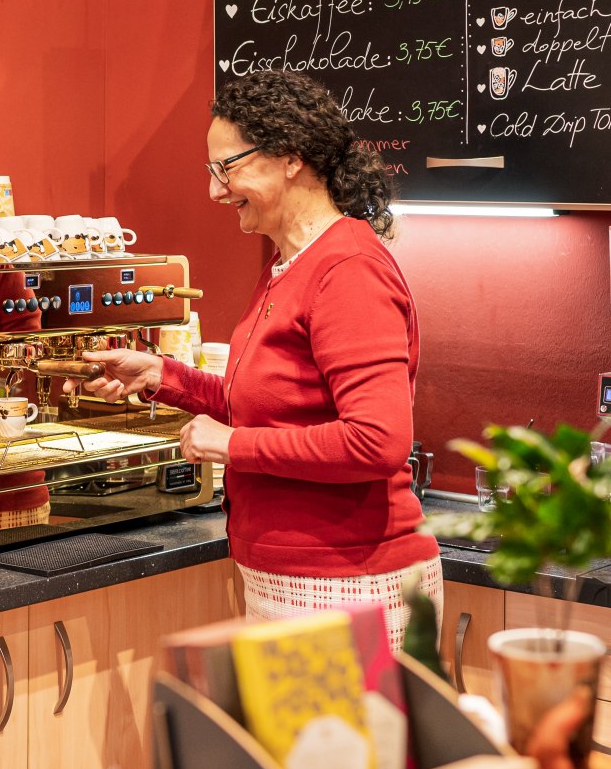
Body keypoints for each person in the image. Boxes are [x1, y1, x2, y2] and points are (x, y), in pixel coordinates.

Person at [67, 70, 441, 650]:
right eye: (211, 172)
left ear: (290, 157)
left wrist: (231, 446)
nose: (216, 191)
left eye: (228, 167)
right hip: (295, 579)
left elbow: (377, 441)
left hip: (353, 584)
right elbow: (275, 406)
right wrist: (164, 377)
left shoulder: (347, 272)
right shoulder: (290, 265)